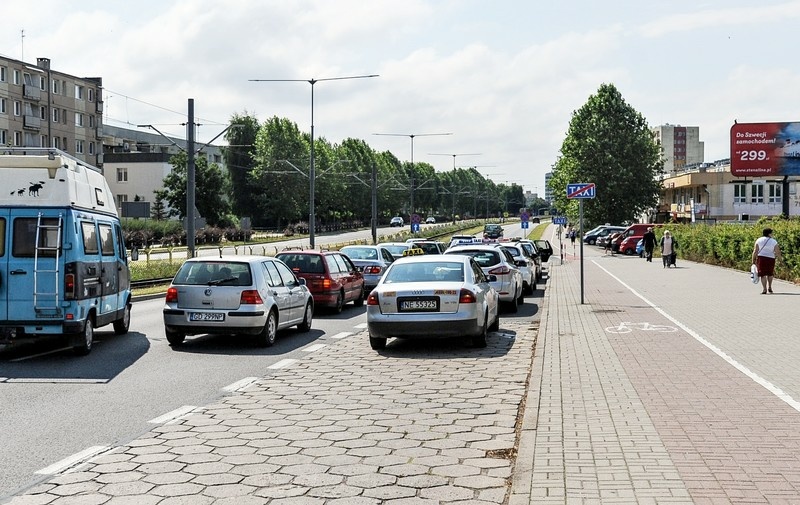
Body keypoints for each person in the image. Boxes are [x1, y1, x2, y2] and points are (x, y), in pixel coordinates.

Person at [752, 227, 782, 294]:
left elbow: (755, 251)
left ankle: (764, 289)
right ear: (769, 234)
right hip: (771, 258)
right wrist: (780, 260)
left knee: (762, 274)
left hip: (761, 258)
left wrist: (753, 260)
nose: (772, 234)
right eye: (771, 233)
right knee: (770, 273)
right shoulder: (774, 241)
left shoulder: (758, 240)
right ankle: (770, 287)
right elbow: (777, 252)